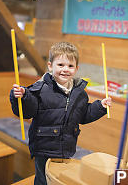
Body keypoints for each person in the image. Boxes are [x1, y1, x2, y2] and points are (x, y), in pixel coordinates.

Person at [10, 42, 112, 185]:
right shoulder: (40, 88)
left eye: (70, 66)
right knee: (43, 180)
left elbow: (83, 115)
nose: (65, 69)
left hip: (67, 147)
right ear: (50, 66)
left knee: (58, 180)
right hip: (43, 146)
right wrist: (22, 96)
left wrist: (100, 106)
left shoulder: (80, 93)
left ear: (76, 69)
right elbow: (27, 112)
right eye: (60, 65)